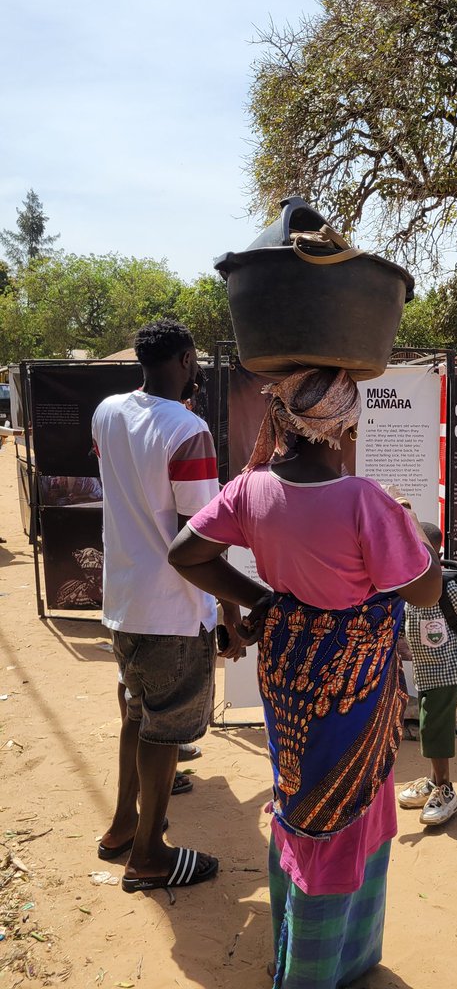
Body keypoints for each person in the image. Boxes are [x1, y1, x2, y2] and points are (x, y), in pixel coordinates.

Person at [169, 366, 441, 989]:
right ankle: (321, 968)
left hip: (290, 667)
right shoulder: (364, 500)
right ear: (345, 424)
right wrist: (405, 524)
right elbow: (425, 591)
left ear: (285, 422)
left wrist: (261, 600)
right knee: (345, 809)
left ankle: (302, 952)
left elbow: (185, 552)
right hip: (351, 677)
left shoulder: (251, 489)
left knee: (298, 797)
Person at [92, 319, 242, 892]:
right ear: (184, 359)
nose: (198, 370)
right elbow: (198, 539)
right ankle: (150, 853)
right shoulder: (189, 430)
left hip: (126, 599)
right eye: (195, 361)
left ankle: (123, 827)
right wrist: (231, 613)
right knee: (166, 727)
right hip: (172, 609)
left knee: (138, 711)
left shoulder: (107, 412)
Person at [398, 522, 457, 826]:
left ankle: (445, 789)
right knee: (430, 725)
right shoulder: (408, 584)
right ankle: (434, 781)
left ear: (435, 553)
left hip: (448, 670)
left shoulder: (448, 588)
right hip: (425, 672)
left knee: (434, 729)